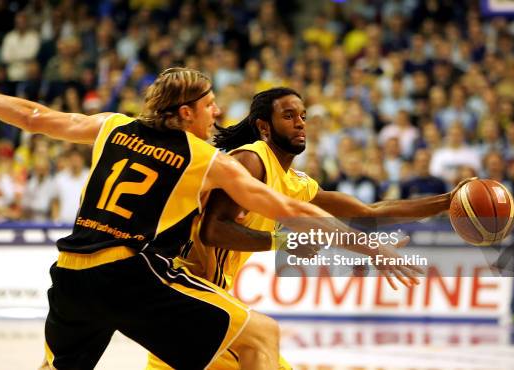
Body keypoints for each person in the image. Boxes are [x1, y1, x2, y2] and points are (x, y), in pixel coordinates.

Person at [0, 60, 413, 370]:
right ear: (184, 114)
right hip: (129, 273)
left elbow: (33, 117)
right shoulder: (203, 157)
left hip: (71, 276)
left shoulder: (112, 126)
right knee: (262, 334)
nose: (216, 118)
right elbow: (284, 208)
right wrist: (367, 245)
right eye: (210, 109)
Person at [148, 87, 473, 369]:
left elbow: (367, 212)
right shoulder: (252, 160)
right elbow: (213, 230)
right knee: (262, 344)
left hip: (199, 300)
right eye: (288, 116)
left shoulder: (296, 183)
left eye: (302, 115)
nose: (300, 122)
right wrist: (281, 241)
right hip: (185, 289)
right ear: (264, 126)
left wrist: (448, 201)